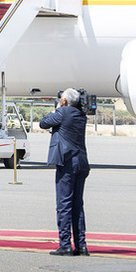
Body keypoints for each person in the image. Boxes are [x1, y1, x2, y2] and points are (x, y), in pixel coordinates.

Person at [39, 87, 90, 256]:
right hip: (81, 162)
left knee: (64, 205)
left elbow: (44, 123)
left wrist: (58, 107)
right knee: (77, 205)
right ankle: (81, 245)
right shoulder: (80, 115)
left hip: (67, 163)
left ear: (65, 100)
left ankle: (65, 244)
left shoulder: (63, 112)